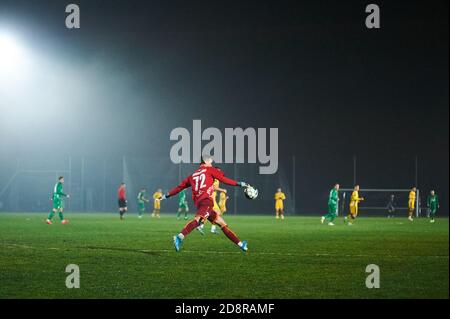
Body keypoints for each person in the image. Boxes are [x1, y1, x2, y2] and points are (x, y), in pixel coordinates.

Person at [158, 155, 250, 252]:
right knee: (199, 220)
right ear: (206, 162)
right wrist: (240, 184)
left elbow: (179, 188)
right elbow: (224, 180)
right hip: (207, 202)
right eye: (210, 161)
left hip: (200, 203)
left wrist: (165, 196)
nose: (211, 163)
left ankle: (241, 244)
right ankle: (179, 237)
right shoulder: (210, 170)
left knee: (222, 224)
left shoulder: (192, 175)